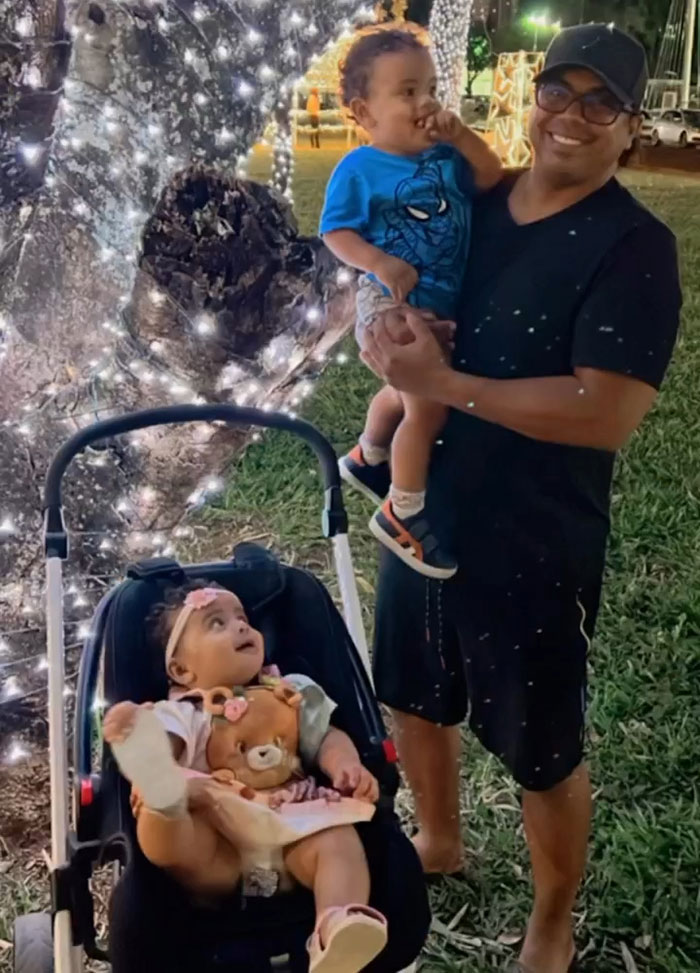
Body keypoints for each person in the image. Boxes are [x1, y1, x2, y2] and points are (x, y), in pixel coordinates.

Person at [361, 25, 682, 973]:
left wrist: (447, 386)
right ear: (531, 97)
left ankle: (552, 916)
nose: (571, 116)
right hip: (421, 508)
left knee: (539, 742)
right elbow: (398, 265)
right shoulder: (478, 200)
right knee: (413, 696)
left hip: (534, 530)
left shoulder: (635, 246)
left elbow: (604, 411)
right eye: (559, 91)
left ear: (631, 128)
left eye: (601, 104)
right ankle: (441, 839)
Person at [103, 581, 388, 973]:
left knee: (338, 843)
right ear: (182, 670)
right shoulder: (185, 711)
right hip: (219, 837)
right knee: (172, 825)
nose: (240, 627)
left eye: (242, 618)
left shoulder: (292, 692)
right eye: (216, 623)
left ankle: (335, 928)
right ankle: (161, 793)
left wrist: (343, 764)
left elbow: (328, 736)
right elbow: (170, 742)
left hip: (295, 828)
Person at [320, 28, 501, 580]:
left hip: (437, 297)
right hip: (390, 299)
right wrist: (380, 263)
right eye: (406, 93)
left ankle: (367, 455)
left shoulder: (447, 156)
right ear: (362, 111)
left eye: (430, 88)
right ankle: (402, 512)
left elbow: (491, 177)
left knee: (402, 393)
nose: (425, 103)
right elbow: (335, 233)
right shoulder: (359, 168)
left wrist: (464, 136)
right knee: (429, 406)